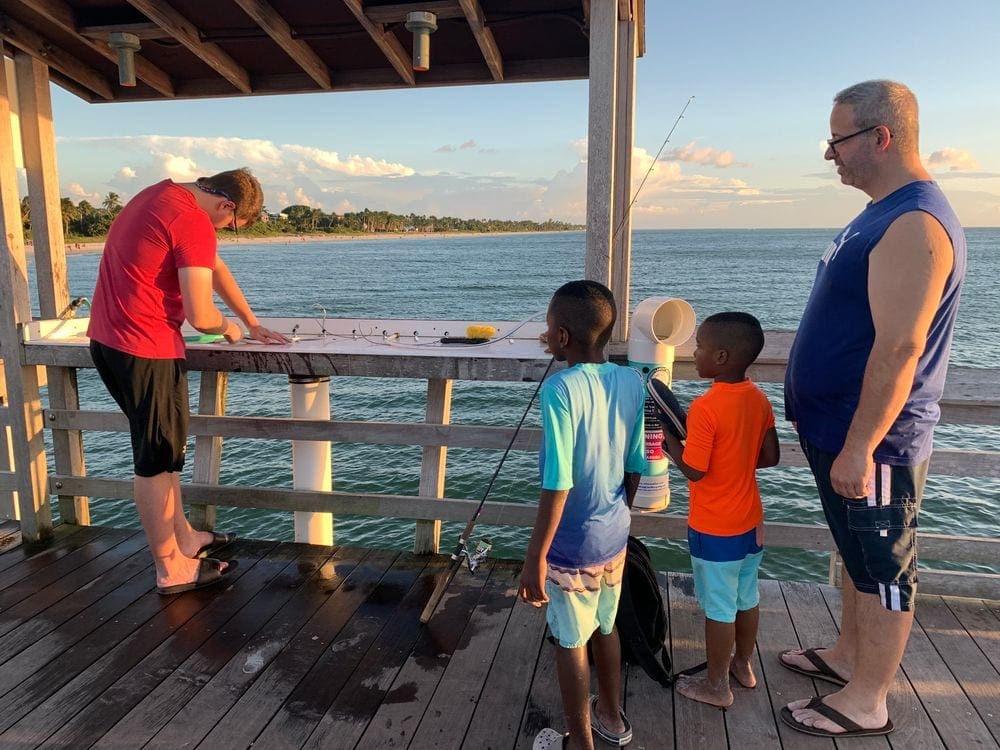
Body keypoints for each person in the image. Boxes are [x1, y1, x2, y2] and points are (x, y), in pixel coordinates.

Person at [781, 80, 966, 738]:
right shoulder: (882, 211)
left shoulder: (915, 221)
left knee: (886, 569)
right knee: (857, 557)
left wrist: (862, 446)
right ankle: (847, 658)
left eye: (838, 139)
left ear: (879, 138)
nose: (829, 153)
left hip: (877, 442)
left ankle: (868, 698)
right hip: (837, 430)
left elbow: (900, 347)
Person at [87, 168, 289, 596]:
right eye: (230, 226)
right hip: (144, 346)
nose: (223, 232)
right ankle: (170, 568)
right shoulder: (194, 220)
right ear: (226, 205)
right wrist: (229, 328)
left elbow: (212, 265)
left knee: (167, 450)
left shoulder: (161, 196)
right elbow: (202, 315)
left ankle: (184, 539)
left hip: (110, 341)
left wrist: (252, 322)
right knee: (156, 458)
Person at [520, 280, 647, 750]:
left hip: (572, 545)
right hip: (615, 534)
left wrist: (536, 557)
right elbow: (635, 466)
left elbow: (558, 482)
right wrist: (617, 517)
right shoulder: (634, 380)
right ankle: (612, 718)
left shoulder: (558, 389)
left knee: (570, 641)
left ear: (563, 336)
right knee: (606, 626)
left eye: (550, 328)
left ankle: (581, 741)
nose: (548, 337)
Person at [658, 312, 779, 709]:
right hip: (751, 522)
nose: (694, 354)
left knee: (719, 608)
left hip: (715, 526)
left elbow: (695, 470)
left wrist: (667, 442)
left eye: (700, 348)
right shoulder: (759, 399)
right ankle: (742, 666)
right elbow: (770, 456)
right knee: (747, 596)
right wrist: (735, 460)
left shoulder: (706, 407)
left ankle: (717, 686)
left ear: (722, 357)